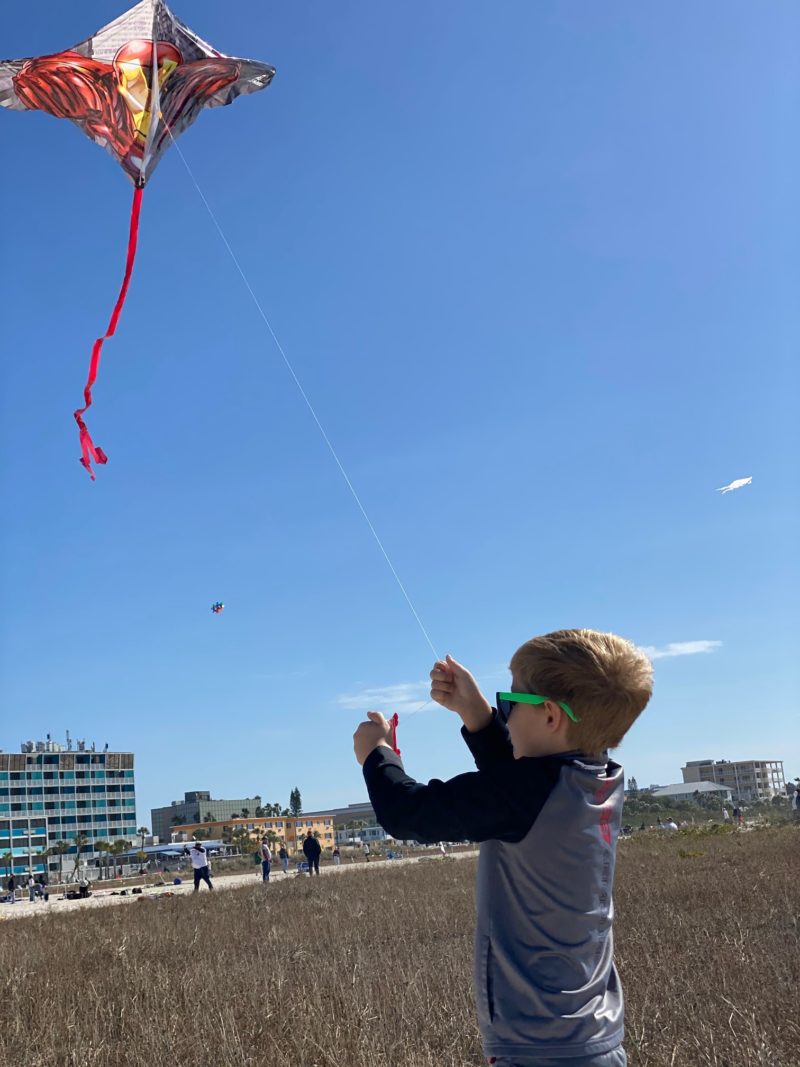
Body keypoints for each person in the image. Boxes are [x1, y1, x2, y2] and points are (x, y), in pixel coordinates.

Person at [353, 629, 653, 1067]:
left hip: (540, 1050)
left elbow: (406, 813)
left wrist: (376, 755)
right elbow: (522, 781)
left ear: (550, 716)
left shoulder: (527, 795)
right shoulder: (599, 778)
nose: (506, 716)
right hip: (594, 1039)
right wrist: (477, 716)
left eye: (511, 703)